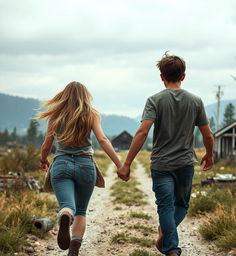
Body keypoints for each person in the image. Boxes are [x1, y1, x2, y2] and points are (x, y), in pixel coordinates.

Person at [118, 53, 214, 256]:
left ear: (161, 77)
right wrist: (209, 154)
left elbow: (143, 132)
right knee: (181, 205)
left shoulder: (154, 100)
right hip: (185, 164)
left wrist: (127, 163)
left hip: (161, 165)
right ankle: (171, 246)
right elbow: (208, 134)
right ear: (184, 76)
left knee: (165, 207)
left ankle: (167, 237)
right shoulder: (196, 101)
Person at [36, 81, 122, 256]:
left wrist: (43, 159)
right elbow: (103, 140)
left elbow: (47, 144)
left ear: (64, 96)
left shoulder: (56, 115)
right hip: (85, 165)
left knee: (68, 206)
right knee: (81, 211)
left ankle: (66, 214)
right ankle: (74, 248)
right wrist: (120, 164)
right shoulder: (92, 114)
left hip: (61, 164)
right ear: (85, 96)